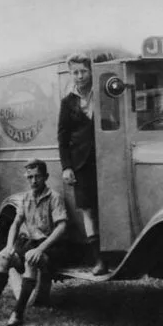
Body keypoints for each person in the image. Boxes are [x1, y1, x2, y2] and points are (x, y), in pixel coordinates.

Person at [0, 159, 68, 326]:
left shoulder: (54, 198)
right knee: (4, 258)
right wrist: (8, 247)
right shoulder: (26, 197)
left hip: (51, 247)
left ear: (46, 177)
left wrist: (40, 249)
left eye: (38, 177)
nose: (34, 181)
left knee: (30, 257)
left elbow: (62, 227)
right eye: (30, 177)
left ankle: (18, 313)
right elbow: (15, 223)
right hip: (30, 243)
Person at [57, 52, 107, 275]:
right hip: (81, 163)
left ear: (91, 70)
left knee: (107, 207)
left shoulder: (104, 93)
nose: (79, 76)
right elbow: (63, 136)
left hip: (107, 158)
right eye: (75, 72)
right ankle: (98, 260)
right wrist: (66, 167)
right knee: (88, 210)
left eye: (83, 71)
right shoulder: (68, 102)